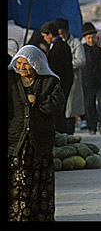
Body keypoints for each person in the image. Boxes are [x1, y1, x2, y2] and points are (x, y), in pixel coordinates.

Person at [8, 45, 66, 221]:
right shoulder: (10, 81)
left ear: (36, 64)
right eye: (19, 63)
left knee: (40, 185)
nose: (22, 68)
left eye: (26, 64)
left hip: (40, 144)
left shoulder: (50, 82)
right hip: (16, 143)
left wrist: (39, 100)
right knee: (18, 184)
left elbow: (57, 104)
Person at [40, 21, 74, 134]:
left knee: (59, 110)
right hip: (63, 82)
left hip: (62, 83)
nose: (45, 39)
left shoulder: (59, 47)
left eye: (45, 36)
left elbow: (57, 67)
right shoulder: (59, 46)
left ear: (50, 34)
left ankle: (61, 132)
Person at [81, 22, 101, 135]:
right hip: (88, 81)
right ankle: (92, 126)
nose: (91, 40)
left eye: (93, 37)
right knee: (89, 104)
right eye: (88, 38)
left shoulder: (100, 47)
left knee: (100, 103)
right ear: (85, 38)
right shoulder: (82, 49)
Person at [56, 18, 86, 134]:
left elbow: (81, 61)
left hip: (73, 78)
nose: (61, 33)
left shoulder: (76, 43)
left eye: (62, 31)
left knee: (71, 110)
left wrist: (66, 65)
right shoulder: (56, 44)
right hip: (60, 79)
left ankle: (70, 134)